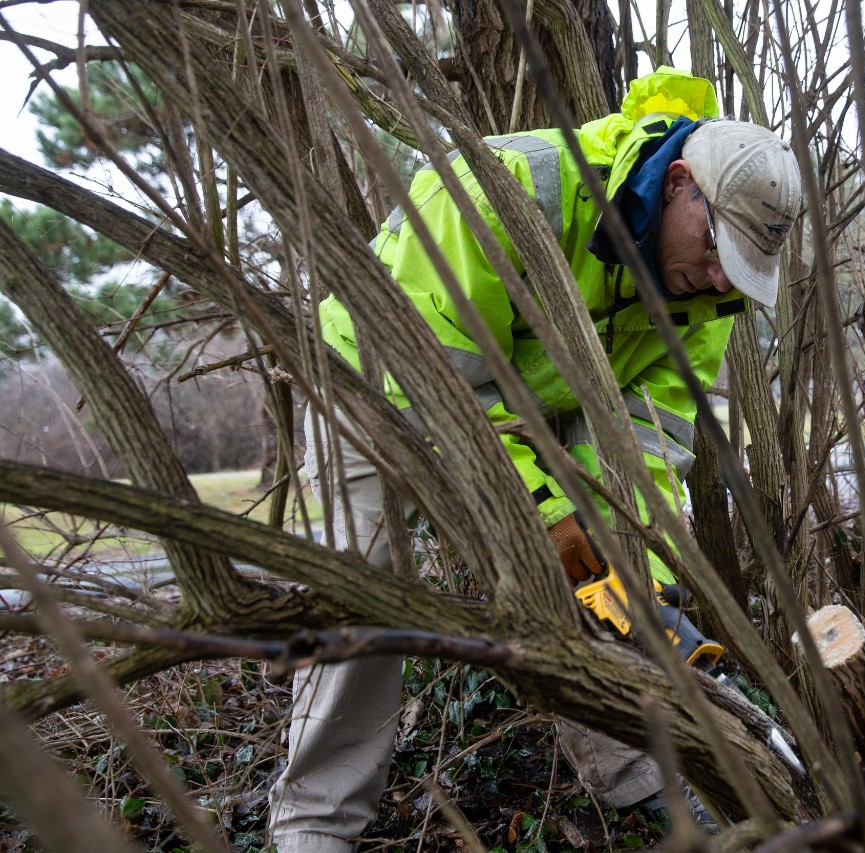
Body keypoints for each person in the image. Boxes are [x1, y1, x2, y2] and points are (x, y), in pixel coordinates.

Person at [267, 67, 803, 853]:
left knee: (601, 583)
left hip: (528, 398)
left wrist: (629, 539)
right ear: (681, 183)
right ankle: (314, 821)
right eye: (719, 250)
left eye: (740, 271)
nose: (723, 279)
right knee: (368, 582)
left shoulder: (707, 292)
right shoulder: (514, 189)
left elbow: (651, 431)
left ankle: (642, 775)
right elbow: (438, 388)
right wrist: (547, 511)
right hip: (380, 377)